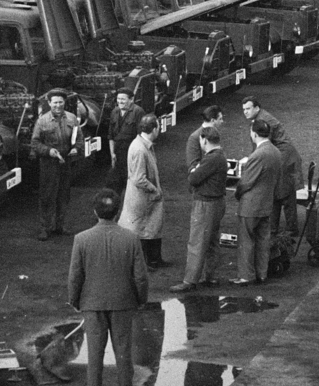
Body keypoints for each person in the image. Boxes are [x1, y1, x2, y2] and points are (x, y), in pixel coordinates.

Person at [68, 188, 149, 386]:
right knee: (123, 350)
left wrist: (75, 301)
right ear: (117, 211)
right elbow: (140, 277)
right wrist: (141, 299)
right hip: (123, 302)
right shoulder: (131, 239)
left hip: (92, 303)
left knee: (95, 351)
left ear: (95, 211)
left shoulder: (81, 239)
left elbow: (75, 276)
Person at [174, 125, 227, 292]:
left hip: (205, 205)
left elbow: (193, 178)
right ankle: (211, 276)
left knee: (197, 241)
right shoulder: (220, 156)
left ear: (204, 140)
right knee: (212, 241)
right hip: (217, 203)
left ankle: (190, 280)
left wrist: (195, 171)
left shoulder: (211, 158)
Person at [231, 119, 282, 285]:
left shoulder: (257, 155)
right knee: (262, 242)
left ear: (254, 133)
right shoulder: (276, 152)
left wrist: (237, 193)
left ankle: (246, 276)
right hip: (267, 204)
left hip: (250, 206)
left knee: (246, 241)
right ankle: (262, 273)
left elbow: (246, 182)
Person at [243, 97, 300, 241]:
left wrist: (252, 159)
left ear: (257, 108)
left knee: (284, 192)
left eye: (248, 108)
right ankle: (277, 227)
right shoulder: (260, 118)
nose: (245, 112)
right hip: (281, 155)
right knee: (279, 191)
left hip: (283, 157)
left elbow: (262, 144)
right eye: (244, 109)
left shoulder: (263, 121)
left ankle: (288, 229)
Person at [119, 113, 167, 269]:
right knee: (143, 230)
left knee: (151, 228)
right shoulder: (140, 149)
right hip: (143, 198)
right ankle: (144, 263)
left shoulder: (142, 144)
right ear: (153, 129)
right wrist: (155, 190)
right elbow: (139, 179)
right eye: (158, 127)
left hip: (146, 197)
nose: (159, 130)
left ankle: (154, 259)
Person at [30, 92, 80, 240]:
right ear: (49, 104)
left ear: (64, 102)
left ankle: (60, 225)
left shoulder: (72, 119)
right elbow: (35, 143)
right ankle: (45, 228)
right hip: (49, 163)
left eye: (60, 102)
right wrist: (49, 151)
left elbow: (79, 139)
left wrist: (76, 148)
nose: (58, 105)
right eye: (55, 103)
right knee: (47, 195)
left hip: (66, 162)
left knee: (63, 195)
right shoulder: (42, 121)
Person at [106, 89, 143, 193]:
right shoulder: (115, 111)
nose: (120, 101)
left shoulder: (138, 112)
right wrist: (112, 153)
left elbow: (141, 136)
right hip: (118, 153)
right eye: (118, 99)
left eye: (123, 99)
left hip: (131, 152)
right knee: (113, 184)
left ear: (131, 99)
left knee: (131, 184)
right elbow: (111, 136)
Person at [187, 104, 225, 172]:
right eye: (220, 119)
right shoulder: (194, 137)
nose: (222, 121)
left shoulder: (215, 132)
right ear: (213, 120)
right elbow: (193, 165)